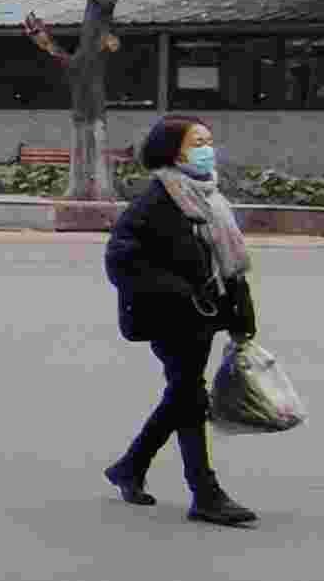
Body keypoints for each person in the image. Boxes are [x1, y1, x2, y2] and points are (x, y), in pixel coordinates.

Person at [102, 113, 258, 527]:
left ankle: (130, 466)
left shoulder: (209, 196)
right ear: (173, 152)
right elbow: (121, 258)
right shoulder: (157, 199)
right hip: (170, 316)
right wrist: (178, 291)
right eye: (197, 143)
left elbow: (228, 264)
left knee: (184, 395)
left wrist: (242, 315)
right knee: (189, 396)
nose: (207, 150)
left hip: (204, 315)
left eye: (208, 141)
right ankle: (204, 492)